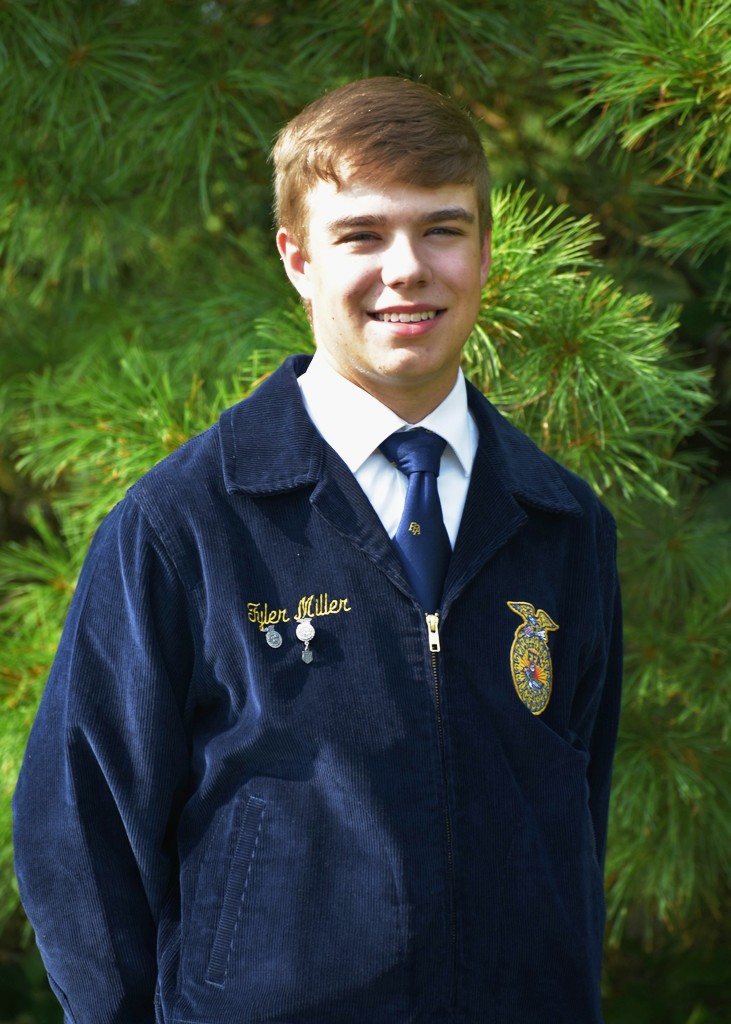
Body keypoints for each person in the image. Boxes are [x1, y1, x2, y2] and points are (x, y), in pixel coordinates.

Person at [13, 77, 622, 1023]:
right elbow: (78, 835)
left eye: (441, 229)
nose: (406, 269)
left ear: (483, 253)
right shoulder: (183, 523)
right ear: (297, 258)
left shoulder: (563, 522)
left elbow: (577, 817)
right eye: (361, 235)